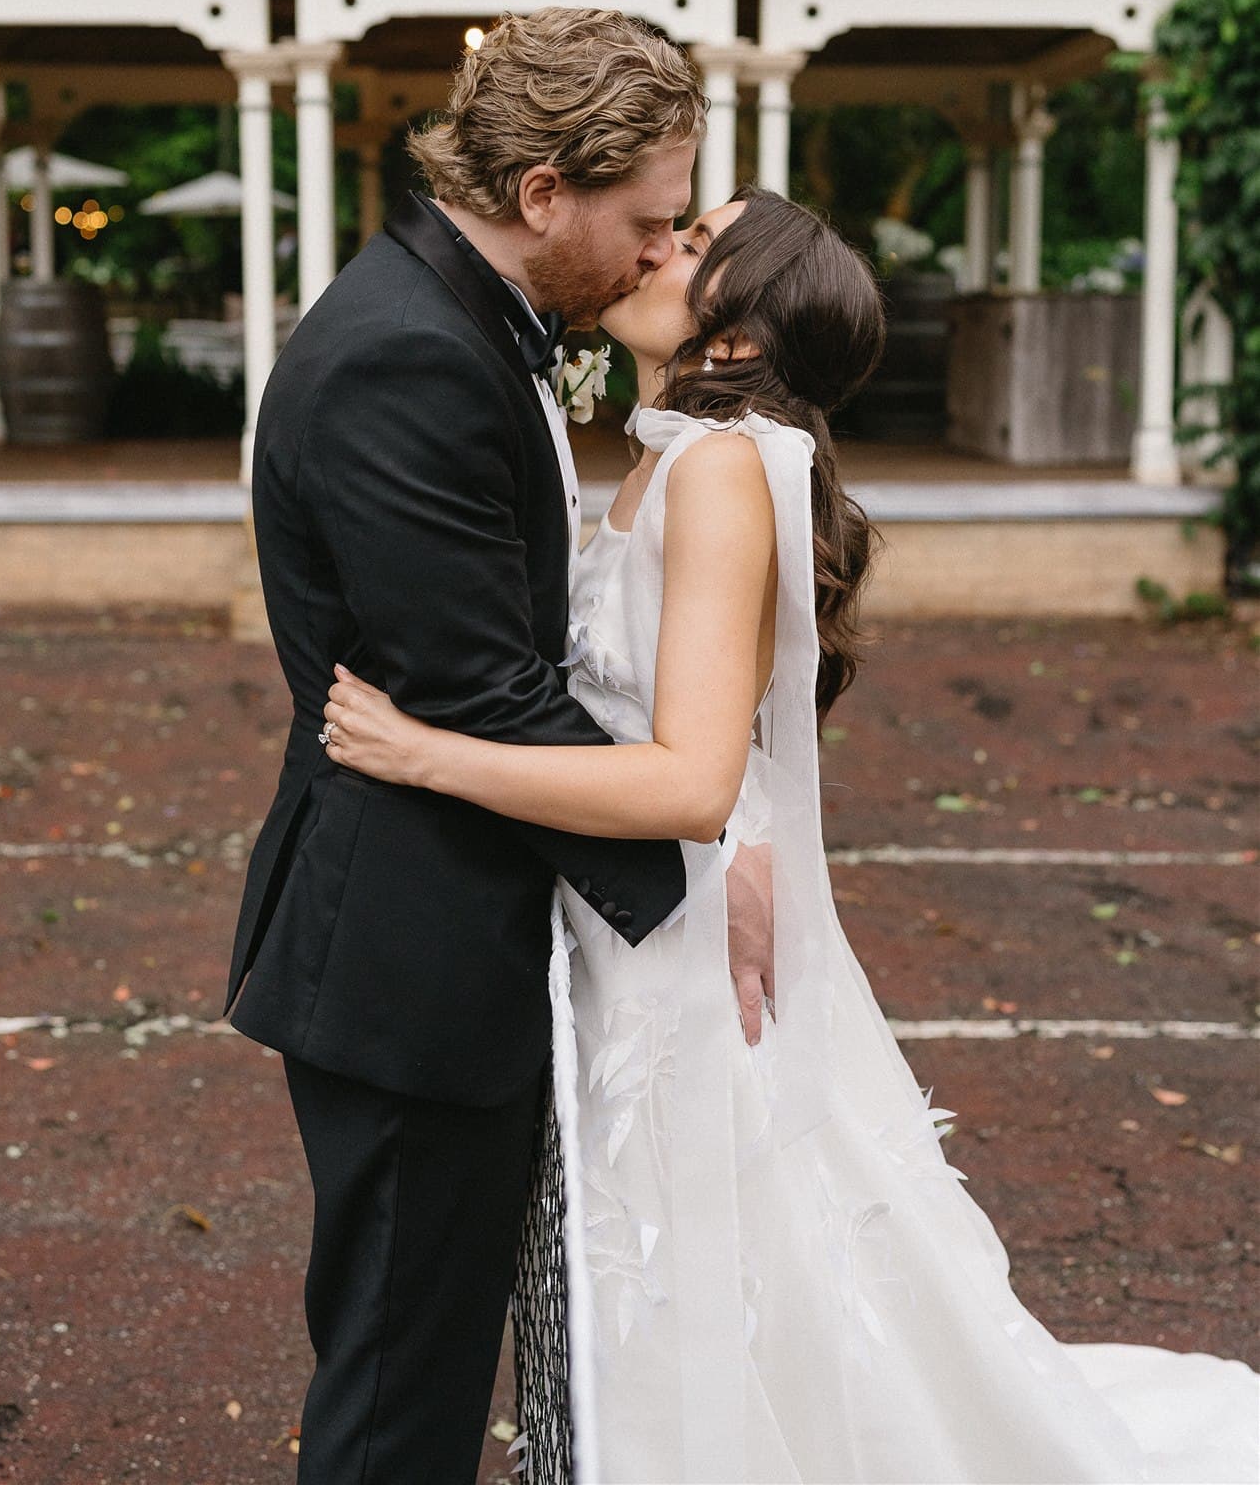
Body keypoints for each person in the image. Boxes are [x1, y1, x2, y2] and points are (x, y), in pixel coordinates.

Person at [322, 187, 1260, 1485]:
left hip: (668, 930)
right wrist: (753, 832)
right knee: (692, 1265)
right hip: (633, 919)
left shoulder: (714, 472)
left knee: (706, 1262)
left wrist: (423, 755)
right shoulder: (670, 453)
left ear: (737, 343)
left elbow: (690, 781)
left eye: (693, 243)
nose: (655, 247)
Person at [222, 8, 776, 1484]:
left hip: (463, 916)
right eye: (647, 223)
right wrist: (686, 871)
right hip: (407, 951)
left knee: (441, 1352)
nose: (663, 255)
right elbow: (474, 687)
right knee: (403, 1389)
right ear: (544, 194)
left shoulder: (466, 322)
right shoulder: (404, 355)